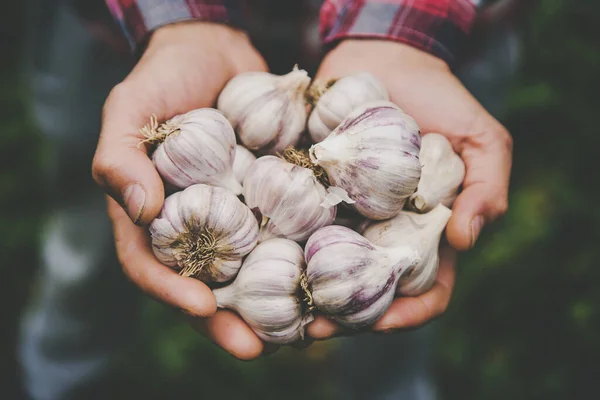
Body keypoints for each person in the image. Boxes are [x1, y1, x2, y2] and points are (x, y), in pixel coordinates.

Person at [19, 0, 519, 399]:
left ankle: (389, 390)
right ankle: (59, 376)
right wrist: (179, 23)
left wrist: (407, 40)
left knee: (390, 314)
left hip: (439, 37)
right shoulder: (248, 186)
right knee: (89, 230)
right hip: (123, 30)